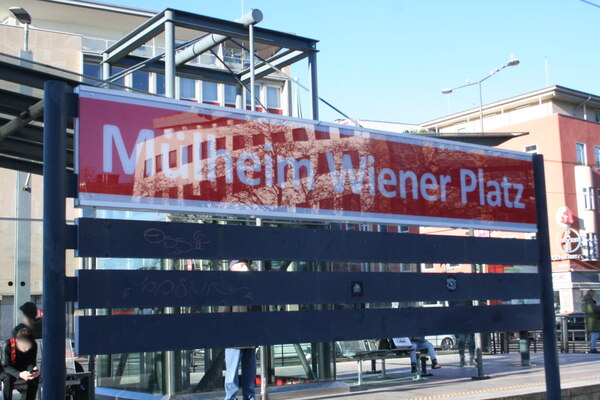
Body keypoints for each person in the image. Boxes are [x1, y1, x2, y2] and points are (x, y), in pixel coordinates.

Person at [221, 260, 257, 400]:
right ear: (233, 268)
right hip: (235, 335)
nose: (245, 267)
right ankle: (231, 398)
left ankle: (248, 397)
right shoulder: (229, 287)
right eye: (241, 265)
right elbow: (224, 311)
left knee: (249, 371)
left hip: (249, 334)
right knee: (232, 371)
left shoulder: (250, 285)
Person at [1, 328, 39, 400]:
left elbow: (31, 361)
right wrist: (19, 374)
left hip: (21, 367)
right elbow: (5, 366)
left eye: (29, 346)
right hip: (6, 369)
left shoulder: (33, 345)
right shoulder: (8, 345)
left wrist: (32, 371)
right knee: (8, 378)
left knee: (34, 377)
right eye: (24, 346)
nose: (27, 349)